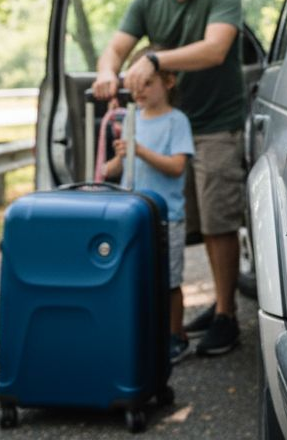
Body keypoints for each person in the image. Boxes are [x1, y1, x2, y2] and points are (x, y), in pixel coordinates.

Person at [92, 0, 247, 357]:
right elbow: (117, 48)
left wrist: (156, 58)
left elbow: (215, 49)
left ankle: (226, 316)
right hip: (170, 125)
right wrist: (108, 71)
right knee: (185, 221)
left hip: (216, 124)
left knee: (218, 223)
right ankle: (210, 305)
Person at [105, 66, 196, 363]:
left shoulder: (176, 121)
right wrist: (119, 157)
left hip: (165, 216)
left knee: (169, 281)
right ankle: (143, 332)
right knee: (136, 276)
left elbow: (177, 166)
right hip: (132, 216)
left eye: (147, 82)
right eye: (135, 85)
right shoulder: (131, 120)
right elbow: (112, 170)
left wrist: (139, 150)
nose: (140, 90)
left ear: (168, 82)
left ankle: (175, 335)